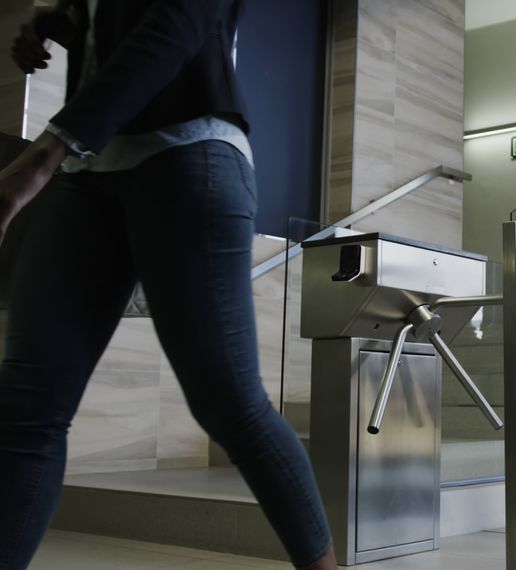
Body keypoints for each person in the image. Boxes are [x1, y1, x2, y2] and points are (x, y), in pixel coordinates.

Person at [0, 2, 336, 569]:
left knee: (229, 407)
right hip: (88, 175)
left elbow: (175, 22)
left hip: (188, 156)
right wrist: (53, 25)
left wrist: (42, 155)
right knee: (28, 409)